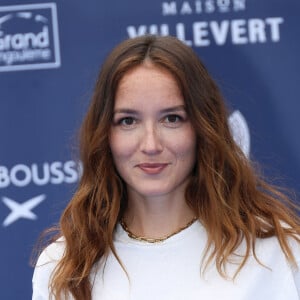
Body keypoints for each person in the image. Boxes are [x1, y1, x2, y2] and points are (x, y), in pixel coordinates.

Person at [32, 35, 300, 300]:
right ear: (104, 135)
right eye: (128, 121)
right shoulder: (62, 267)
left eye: (171, 118)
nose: (150, 144)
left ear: (202, 128)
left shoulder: (278, 253)